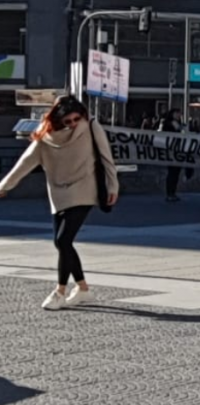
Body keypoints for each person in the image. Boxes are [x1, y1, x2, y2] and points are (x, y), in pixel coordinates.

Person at [0, 96, 119, 310]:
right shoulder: (45, 138)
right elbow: (25, 163)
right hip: (58, 193)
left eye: (76, 119)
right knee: (60, 243)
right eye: (68, 121)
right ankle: (83, 289)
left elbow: (106, 157)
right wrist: (5, 186)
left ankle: (60, 291)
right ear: (58, 120)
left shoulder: (91, 126)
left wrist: (113, 186)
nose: (73, 124)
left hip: (85, 189)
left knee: (63, 240)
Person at [160, 109, 185, 203]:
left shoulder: (175, 123)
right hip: (172, 151)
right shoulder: (170, 123)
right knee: (172, 172)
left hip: (176, 151)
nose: (179, 115)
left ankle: (172, 192)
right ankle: (170, 193)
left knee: (175, 172)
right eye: (177, 113)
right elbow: (178, 130)